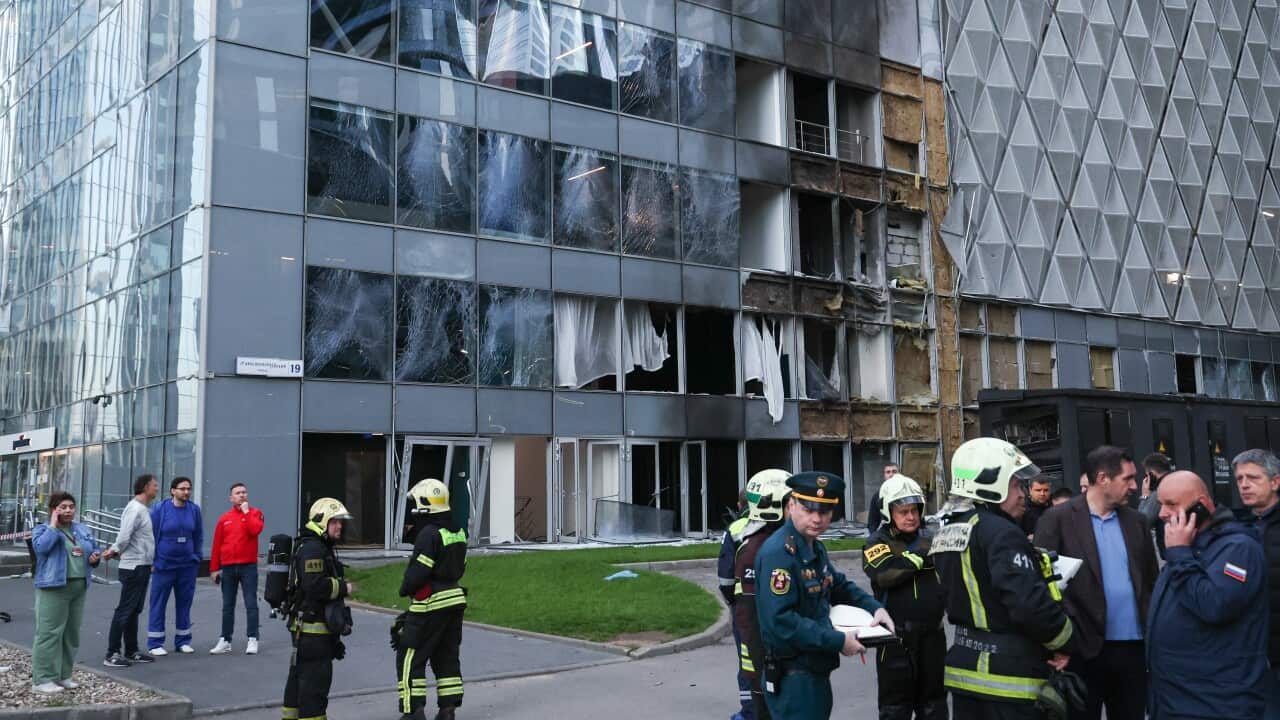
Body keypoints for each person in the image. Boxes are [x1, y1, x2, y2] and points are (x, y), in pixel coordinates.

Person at [933, 437, 1075, 720]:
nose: (1023, 493)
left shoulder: (948, 532)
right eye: (1014, 485)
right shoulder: (1001, 533)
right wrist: (1065, 642)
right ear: (990, 484)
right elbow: (1027, 604)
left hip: (964, 673)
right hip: (1010, 679)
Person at [754, 471, 893, 719]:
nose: (817, 519)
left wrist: (875, 608)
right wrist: (838, 641)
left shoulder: (812, 546)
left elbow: (837, 584)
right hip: (794, 677)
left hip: (812, 673)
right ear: (791, 506)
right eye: (809, 510)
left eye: (825, 512)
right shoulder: (781, 553)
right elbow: (782, 621)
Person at [1033, 446, 1158, 720]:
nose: (1135, 486)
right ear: (1103, 479)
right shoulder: (1057, 520)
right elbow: (1042, 586)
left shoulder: (1136, 522)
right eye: (1127, 478)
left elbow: (1151, 581)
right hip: (1082, 651)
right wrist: (1058, 643)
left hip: (1133, 650)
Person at [1147, 470, 1268, 719]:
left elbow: (1215, 605)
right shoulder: (1188, 546)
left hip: (1215, 704)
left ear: (1200, 506)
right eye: (1160, 504)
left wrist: (1180, 554)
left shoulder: (1238, 548)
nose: (1161, 514)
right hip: (1176, 701)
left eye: (1171, 504)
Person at [862, 474, 946, 720]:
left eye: (914, 510)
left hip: (933, 635)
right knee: (895, 707)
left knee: (934, 703)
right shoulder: (876, 542)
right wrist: (919, 557)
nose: (911, 517)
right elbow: (885, 574)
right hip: (896, 638)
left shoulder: (931, 537)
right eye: (903, 512)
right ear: (889, 512)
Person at [396, 479, 469, 720]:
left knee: (409, 656)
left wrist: (404, 588)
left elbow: (419, 572)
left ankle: (413, 710)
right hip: (455, 600)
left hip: (430, 603)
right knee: (446, 655)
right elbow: (462, 566)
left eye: (416, 505)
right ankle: (447, 710)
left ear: (425, 505)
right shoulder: (458, 530)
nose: (414, 510)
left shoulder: (428, 534)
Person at [283, 498, 355, 720]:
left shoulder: (317, 546)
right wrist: (344, 587)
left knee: (300, 685)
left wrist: (334, 641)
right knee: (314, 691)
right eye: (334, 521)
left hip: (310, 632)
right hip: (312, 633)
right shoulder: (314, 549)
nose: (339, 526)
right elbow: (314, 586)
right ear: (321, 521)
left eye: (340, 522)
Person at [732, 469, 791, 720]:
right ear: (773, 507)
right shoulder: (758, 550)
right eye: (792, 503)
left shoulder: (786, 541)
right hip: (769, 658)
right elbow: (752, 615)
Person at [30, 492, 101, 694]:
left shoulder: (81, 529)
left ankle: (63, 675)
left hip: (79, 586)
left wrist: (95, 557)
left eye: (71, 506)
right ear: (54, 509)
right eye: (63, 507)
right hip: (54, 587)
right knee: (49, 633)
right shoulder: (43, 530)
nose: (68, 510)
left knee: (71, 634)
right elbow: (41, 549)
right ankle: (42, 679)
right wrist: (53, 524)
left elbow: (93, 548)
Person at [1232, 449, 1280, 718]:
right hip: (1250, 655)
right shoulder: (1235, 527)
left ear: (1275, 482)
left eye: (1253, 477)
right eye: (1239, 479)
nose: (1244, 484)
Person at [102, 474, 159, 667]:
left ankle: (132, 650)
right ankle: (112, 653)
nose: (157, 488)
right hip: (133, 566)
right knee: (125, 610)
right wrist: (114, 550)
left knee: (134, 610)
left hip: (141, 564)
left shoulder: (143, 509)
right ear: (144, 487)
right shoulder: (134, 509)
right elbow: (124, 535)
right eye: (154, 485)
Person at [148, 476, 202, 655]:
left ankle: (183, 641)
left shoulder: (194, 510)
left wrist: (196, 557)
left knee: (185, 604)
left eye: (189, 489)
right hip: (163, 566)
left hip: (187, 566)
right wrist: (153, 561)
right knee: (158, 604)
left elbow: (198, 536)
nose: (186, 492)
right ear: (173, 491)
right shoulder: (160, 510)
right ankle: (155, 643)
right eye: (182, 489)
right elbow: (151, 536)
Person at [209, 482, 265, 656]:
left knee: (250, 603)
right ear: (231, 498)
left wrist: (247, 512)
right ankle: (225, 640)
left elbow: (255, 530)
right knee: (227, 605)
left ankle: (253, 638)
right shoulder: (224, 518)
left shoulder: (255, 514)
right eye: (237, 493)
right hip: (228, 566)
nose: (241, 495)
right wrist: (214, 568)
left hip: (248, 566)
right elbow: (217, 544)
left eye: (244, 492)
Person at [718, 490, 754, 720]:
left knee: (748, 661)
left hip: (744, 609)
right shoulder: (785, 525)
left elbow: (725, 579)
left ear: (739, 504)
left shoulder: (735, 529)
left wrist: (733, 601)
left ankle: (750, 713)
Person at [1139, 453, 1173, 559]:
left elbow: (1142, 523)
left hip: (1171, 551)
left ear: (1151, 474)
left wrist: (1145, 496)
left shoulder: (1160, 491)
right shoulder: (1179, 482)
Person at [866, 463, 899, 535]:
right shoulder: (877, 496)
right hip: (885, 534)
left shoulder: (907, 492)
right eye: (888, 472)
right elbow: (873, 521)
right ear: (884, 476)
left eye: (894, 471)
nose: (891, 474)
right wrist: (873, 536)